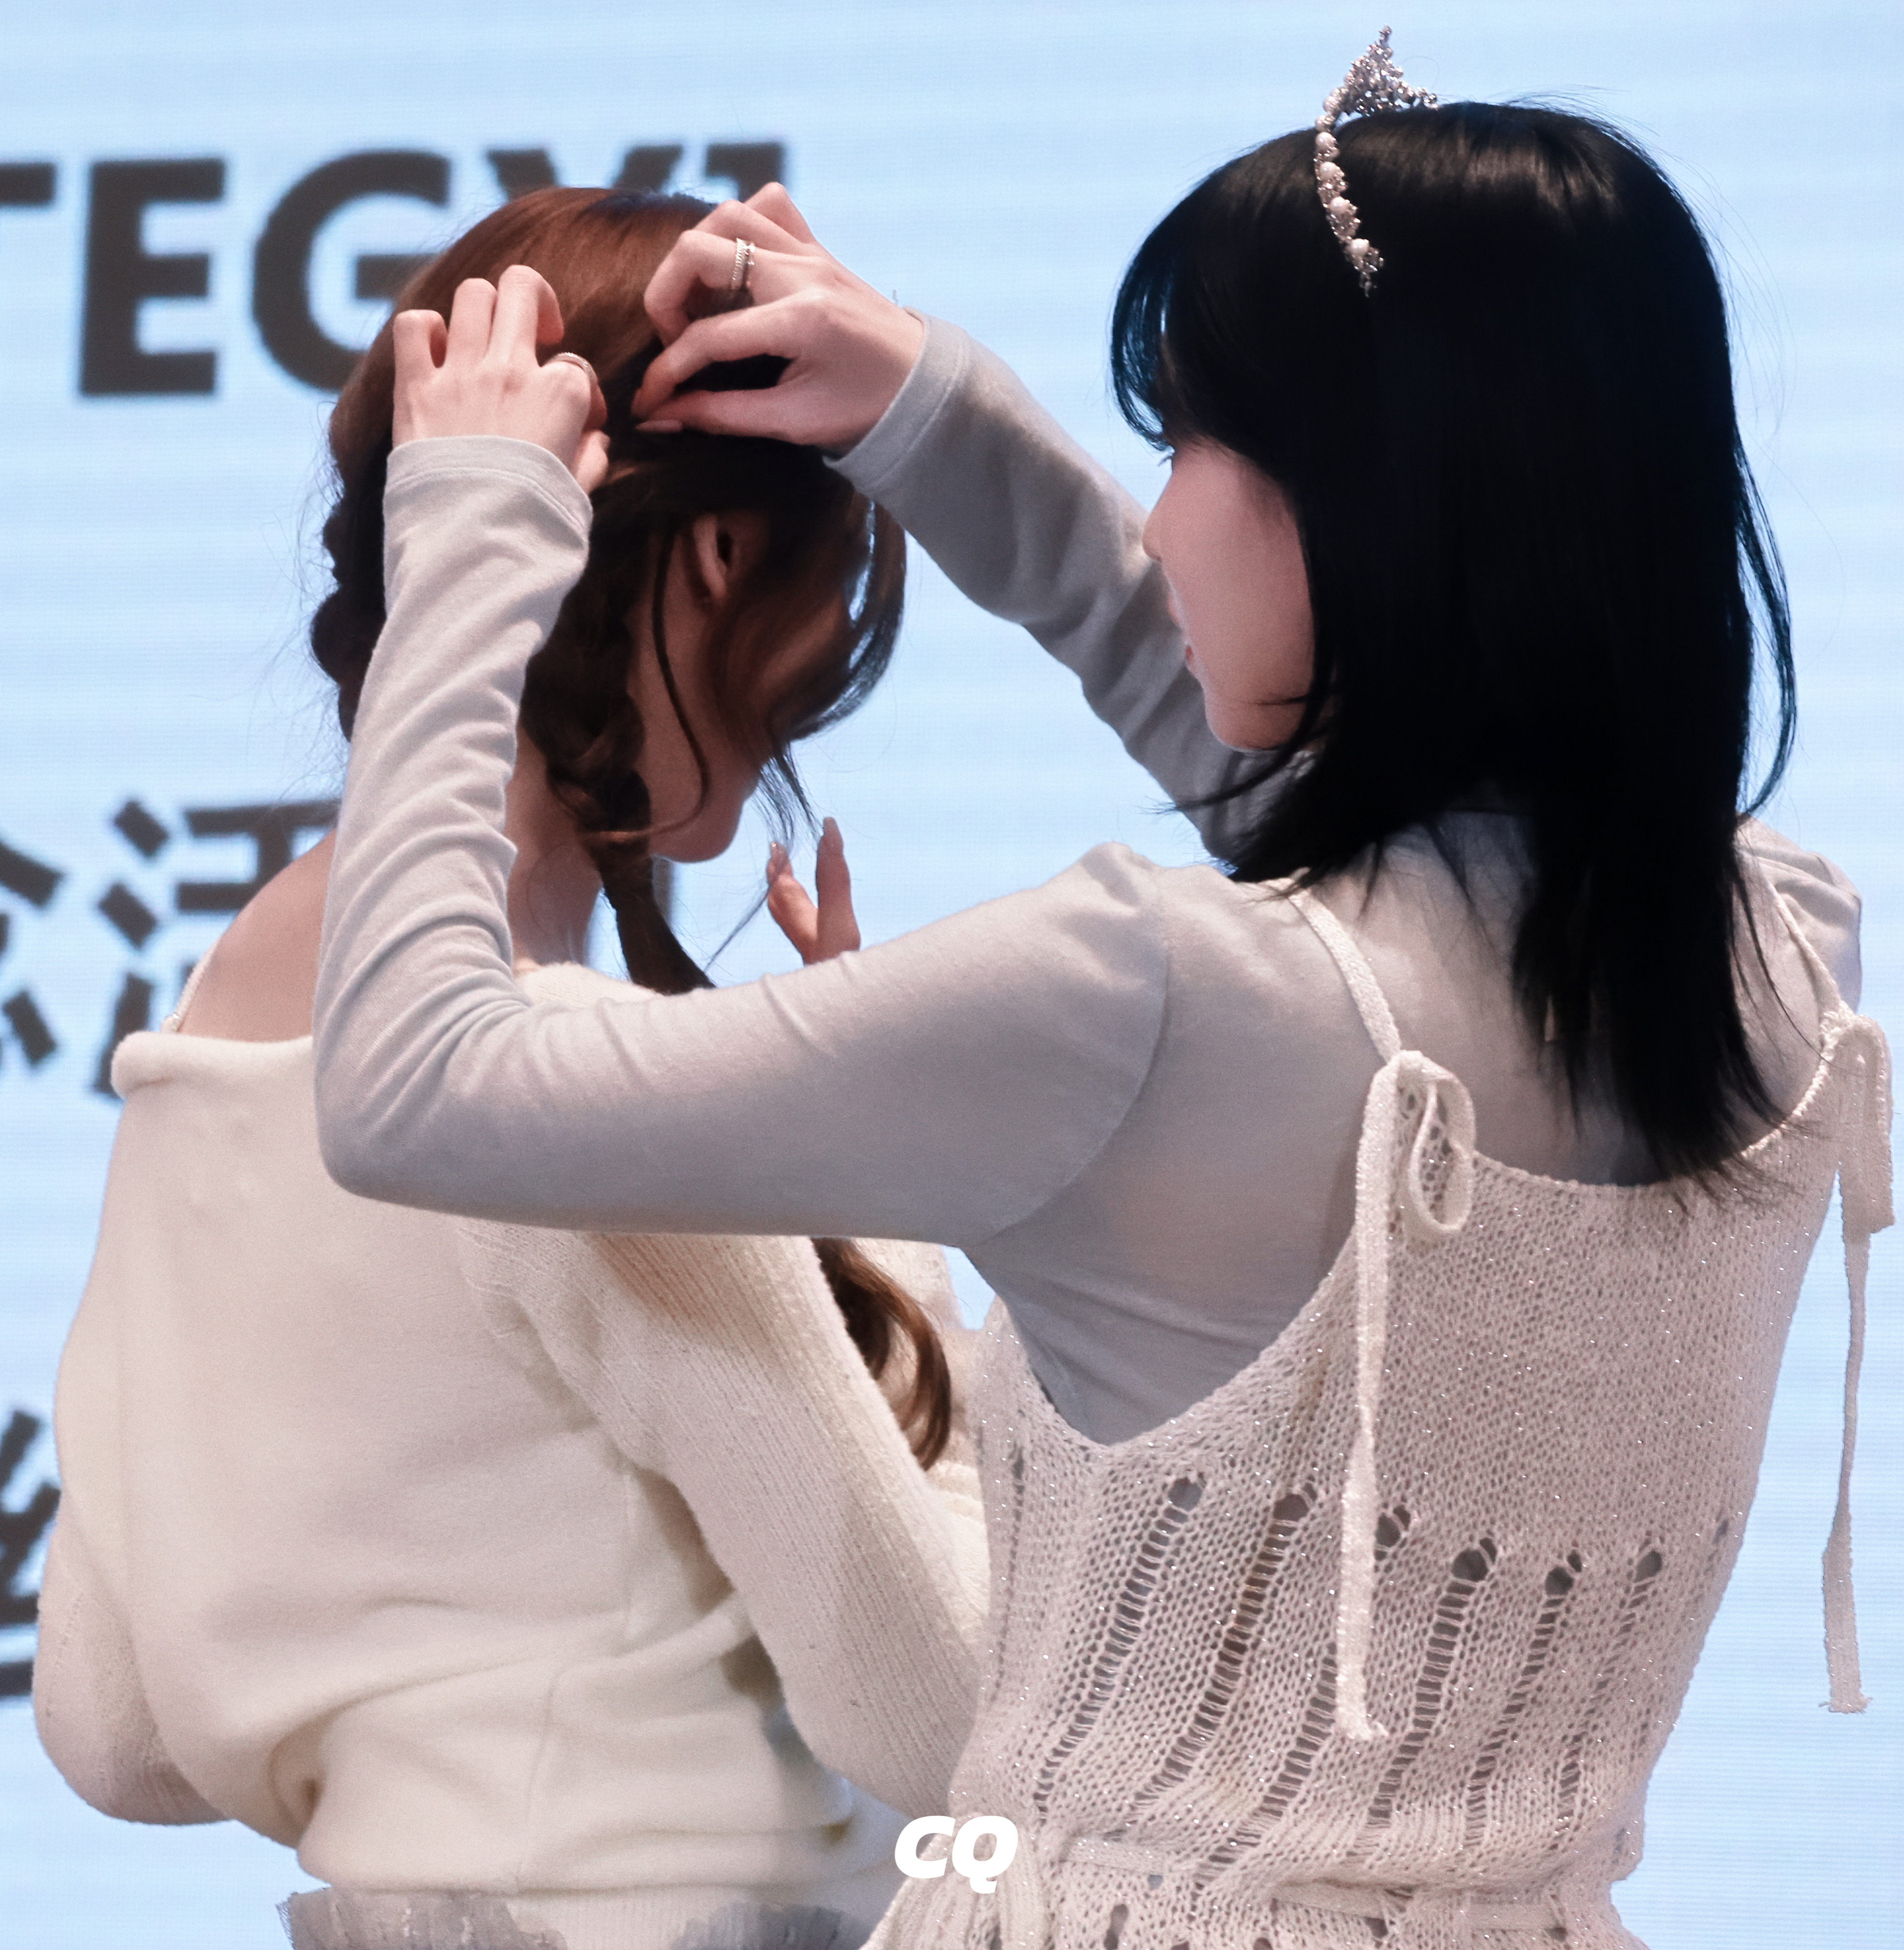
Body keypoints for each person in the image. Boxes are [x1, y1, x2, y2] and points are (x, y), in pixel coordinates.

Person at [309, 55, 1891, 1950]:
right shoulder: (1781, 952)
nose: (1156, 526)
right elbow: (1369, 812)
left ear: (1368, 501)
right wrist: (934, 415)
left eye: (1194, 447)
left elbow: (414, 1084)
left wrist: (470, 544)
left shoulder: (1146, 1001)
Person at [34, 187, 988, 1950]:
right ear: (718, 557)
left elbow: (110, 1727)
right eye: (829, 601)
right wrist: (888, 1202)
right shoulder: (583, 1098)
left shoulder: (200, 1060)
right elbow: (935, 1705)